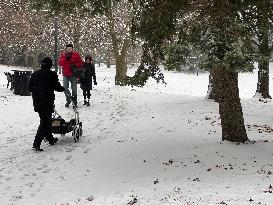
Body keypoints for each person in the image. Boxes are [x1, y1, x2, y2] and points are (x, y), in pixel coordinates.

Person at [29, 57, 65, 151]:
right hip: (47, 102)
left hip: (37, 102)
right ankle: (36, 144)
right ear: (50, 65)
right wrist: (63, 89)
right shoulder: (51, 74)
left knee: (46, 120)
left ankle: (50, 139)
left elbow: (29, 88)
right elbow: (57, 87)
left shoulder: (35, 74)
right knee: (45, 122)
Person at [58, 43, 83, 108]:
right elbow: (60, 63)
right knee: (65, 87)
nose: (69, 50)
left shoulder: (76, 54)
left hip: (73, 74)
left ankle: (75, 102)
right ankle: (68, 100)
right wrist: (66, 58)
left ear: (72, 49)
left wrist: (76, 65)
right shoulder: (63, 55)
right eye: (68, 48)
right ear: (66, 49)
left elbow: (81, 63)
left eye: (70, 48)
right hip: (65, 74)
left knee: (74, 89)